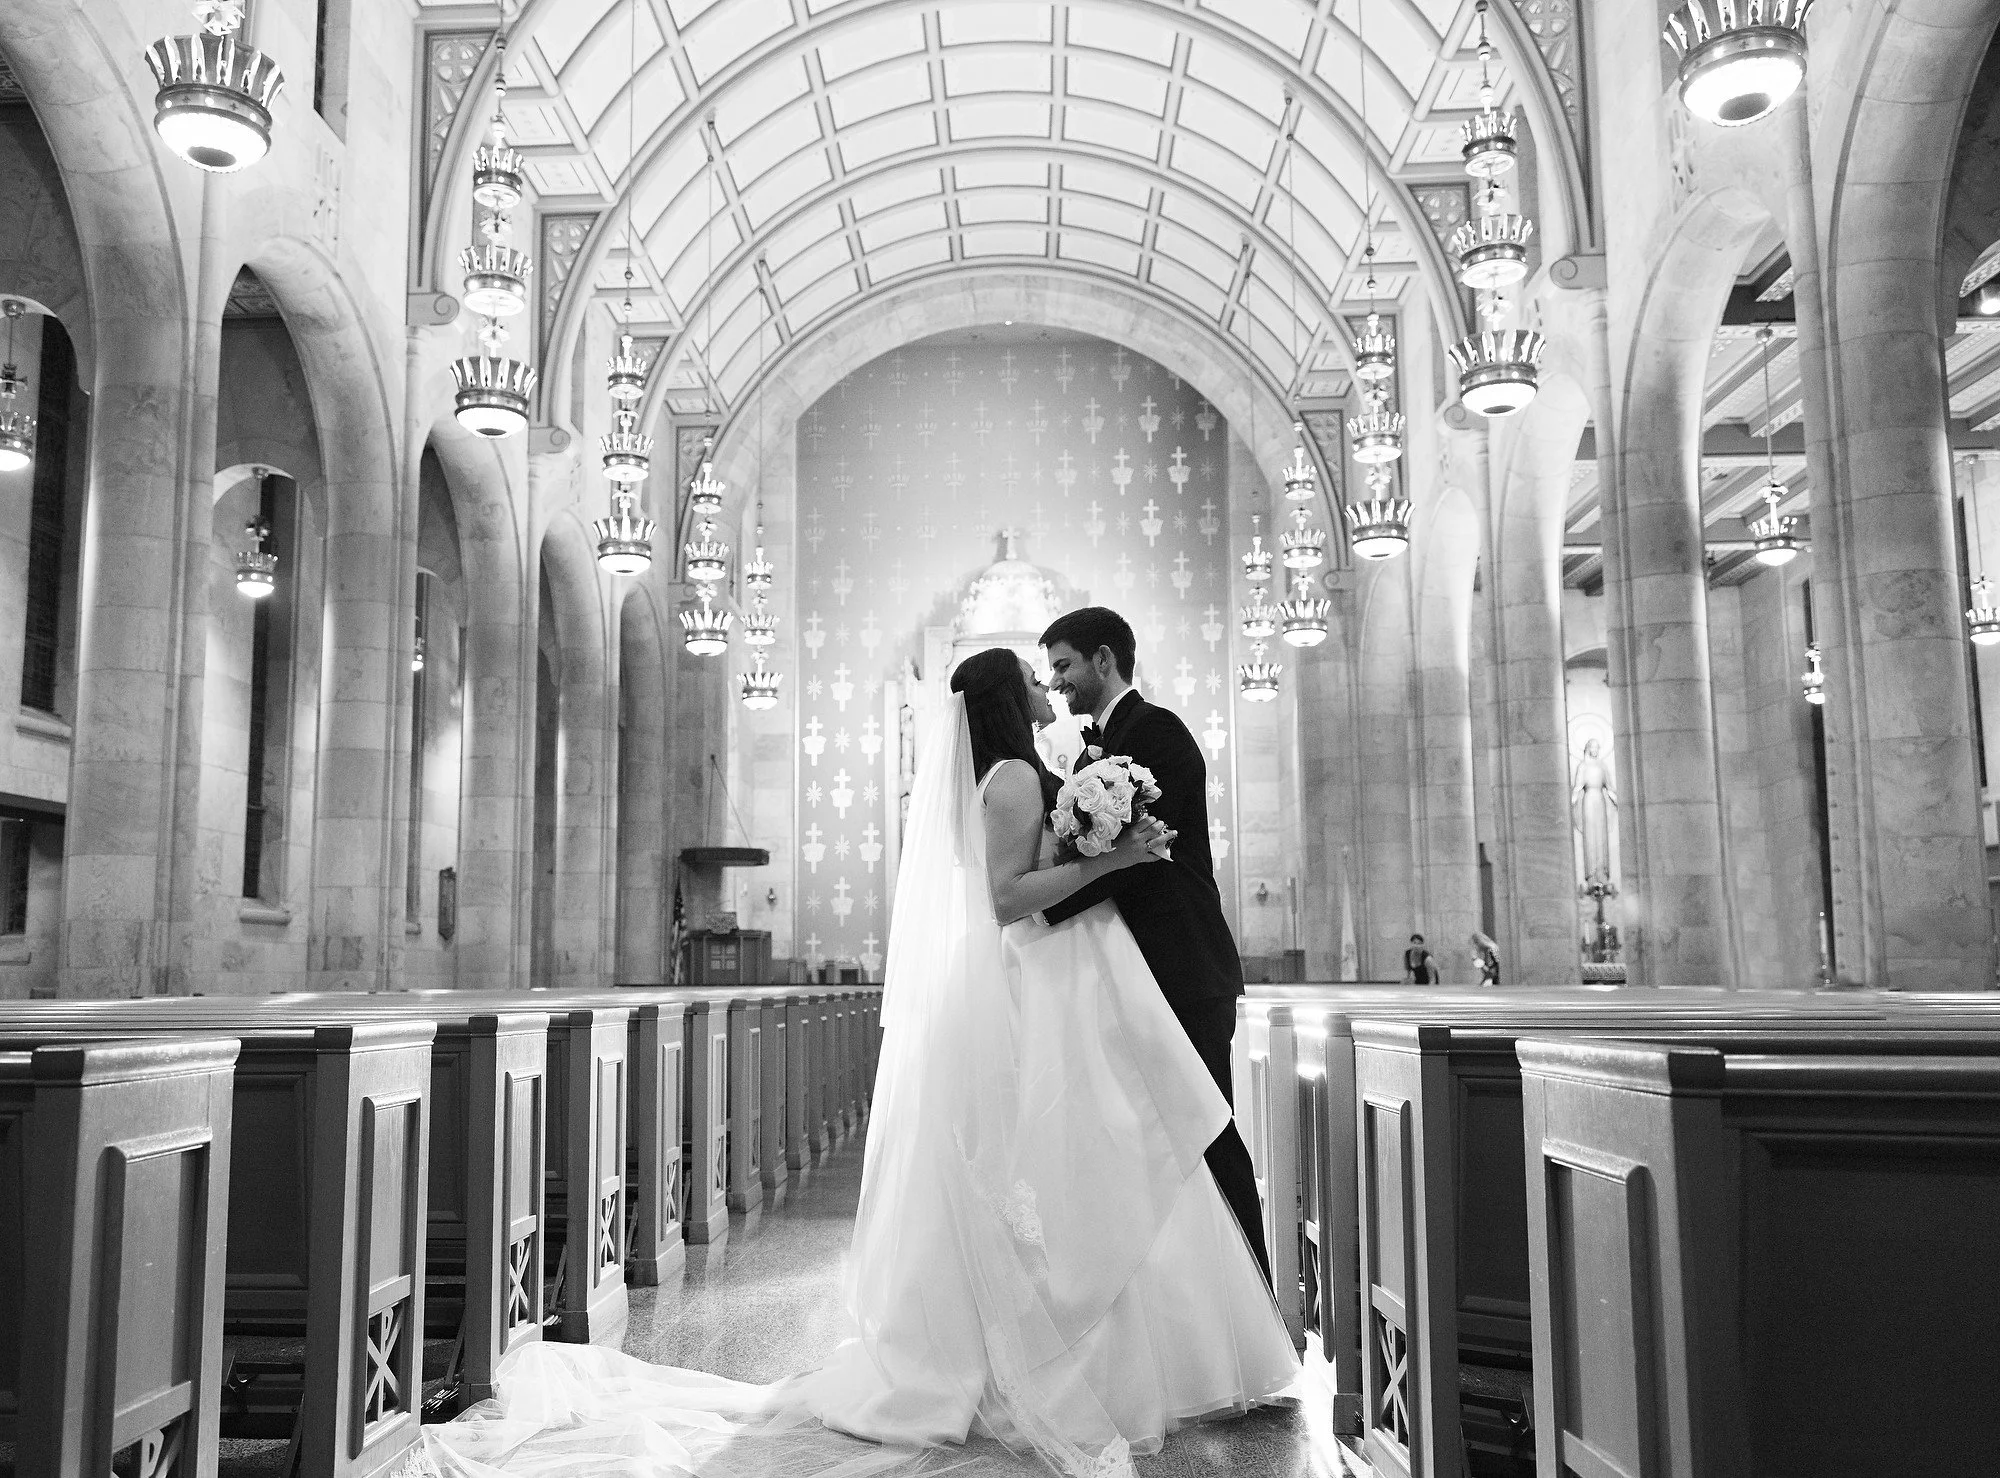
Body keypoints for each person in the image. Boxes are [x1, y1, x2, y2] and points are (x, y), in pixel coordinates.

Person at [421, 645, 1297, 1478]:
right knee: (1056, 1160)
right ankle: (1040, 1351)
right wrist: (1120, 856)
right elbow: (1006, 900)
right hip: (1031, 980)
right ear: (1006, 698)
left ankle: (1054, 1339)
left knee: (1062, 1158)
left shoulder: (1018, 772)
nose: (1045, 684)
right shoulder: (1018, 778)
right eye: (1033, 677)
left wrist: (1096, 844)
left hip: (1042, 982)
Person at [1038, 606, 1273, 1288]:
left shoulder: (1157, 733)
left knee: (1207, 1125)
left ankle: (1254, 1293)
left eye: (1064, 666)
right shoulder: (1096, 751)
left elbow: (1140, 857)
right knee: (1149, 1136)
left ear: (1104, 659)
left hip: (1184, 963)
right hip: (1138, 973)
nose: (1057, 684)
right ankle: (1179, 1295)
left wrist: (1036, 901)